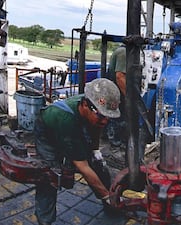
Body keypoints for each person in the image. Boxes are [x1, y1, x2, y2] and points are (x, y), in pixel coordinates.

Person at [33, 78, 121, 225]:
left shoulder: (94, 107)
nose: (105, 121)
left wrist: (95, 151)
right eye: (101, 116)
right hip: (48, 131)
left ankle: (111, 207)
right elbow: (83, 167)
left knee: (98, 166)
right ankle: (45, 220)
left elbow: (97, 127)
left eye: (108, 118)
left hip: (73, 127)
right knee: (48, 176)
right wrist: (106, 195)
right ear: (85, 105)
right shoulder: (66, 120)